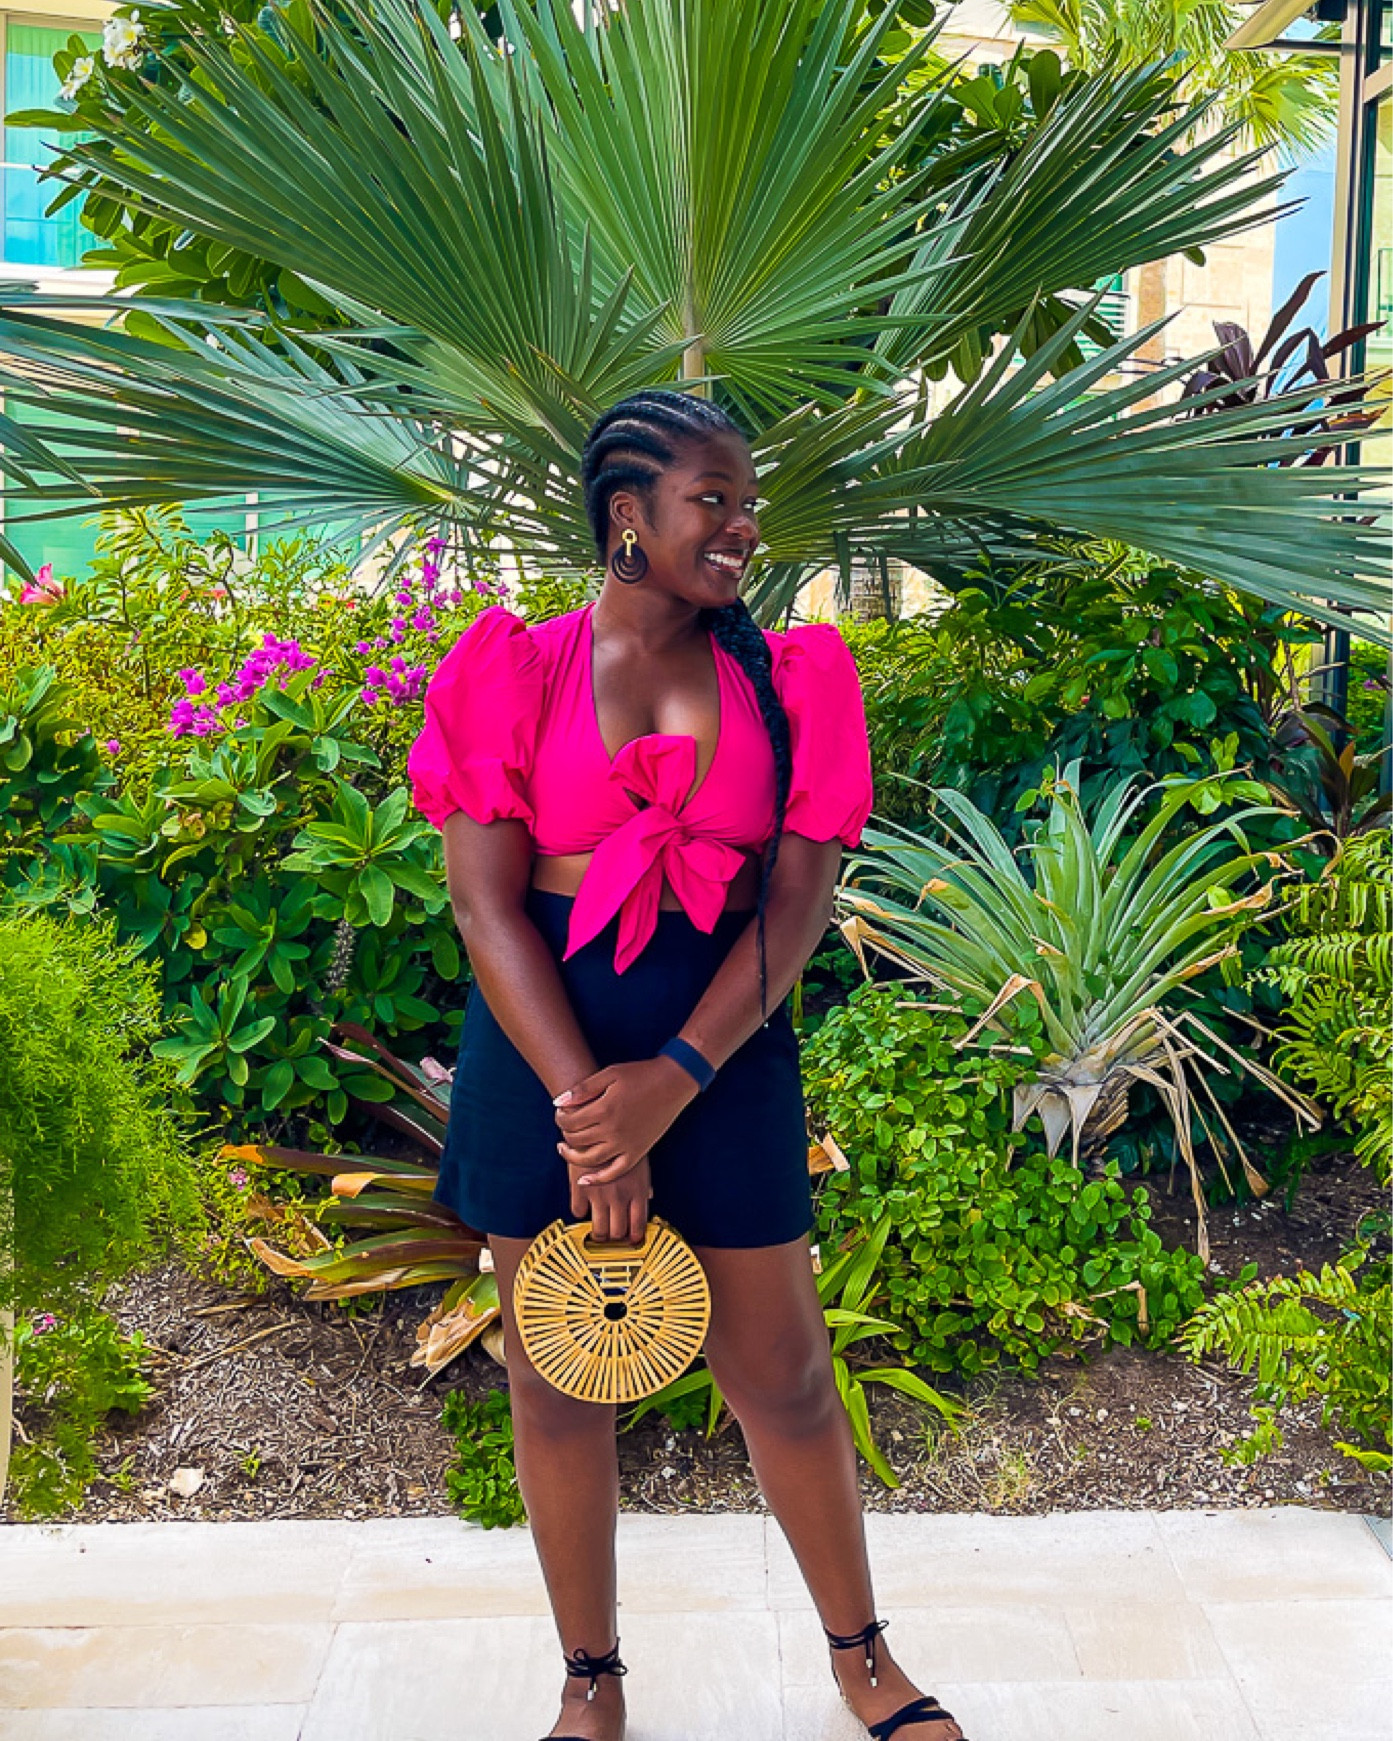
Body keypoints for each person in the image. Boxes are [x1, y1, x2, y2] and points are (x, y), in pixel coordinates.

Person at [408, 389, 967, 1741]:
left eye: (745, 501)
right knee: (554, 1374)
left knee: (779, 1369)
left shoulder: (791, 681)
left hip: (718, 1039)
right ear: (628, 518)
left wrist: (671, 1074)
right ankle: (587, 1682)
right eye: (712, 500)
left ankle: (862, 1658)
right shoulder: (514, 668)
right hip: (542, 1045)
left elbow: (795, 899)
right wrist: (588, 1110)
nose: (741, 527)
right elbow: (487, 905)